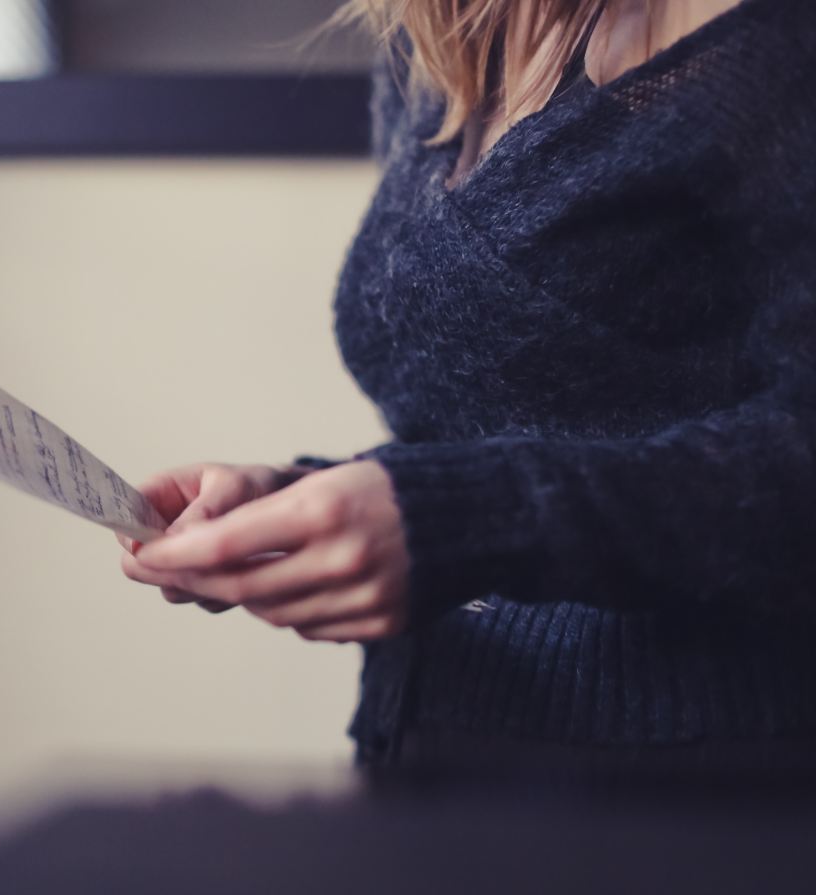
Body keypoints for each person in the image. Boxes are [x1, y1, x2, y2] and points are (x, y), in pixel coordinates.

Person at [118, 0, 816, 776]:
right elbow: (479, 425)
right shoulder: (433, 45)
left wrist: (465, 519)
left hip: (692, 779)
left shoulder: (776, 46)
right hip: (430, 733)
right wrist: (300, 498)